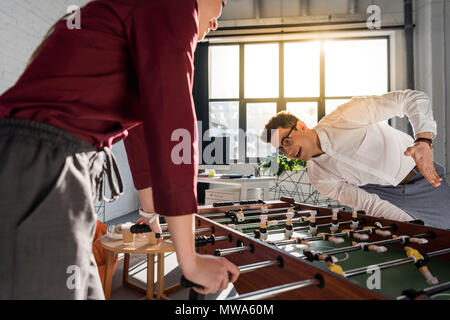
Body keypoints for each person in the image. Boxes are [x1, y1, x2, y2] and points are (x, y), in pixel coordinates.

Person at [0, 0, 239, 299]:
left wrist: (149, 214)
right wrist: (188, 259)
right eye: (222, 3)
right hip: (41, 160)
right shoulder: (174, 4)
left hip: (49, 160)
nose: (216, 22)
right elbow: (173, 120)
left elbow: (143, 131)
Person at [261, 90, 450, 230]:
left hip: (424, 176)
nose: (288, 151)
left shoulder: (346, 115)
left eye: (287, 141)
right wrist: (409, 225)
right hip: (389, 198)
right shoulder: (319, 178)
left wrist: (423, 141)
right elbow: (368, 203)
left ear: (301, 126)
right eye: (281, 150)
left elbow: (413, 99)